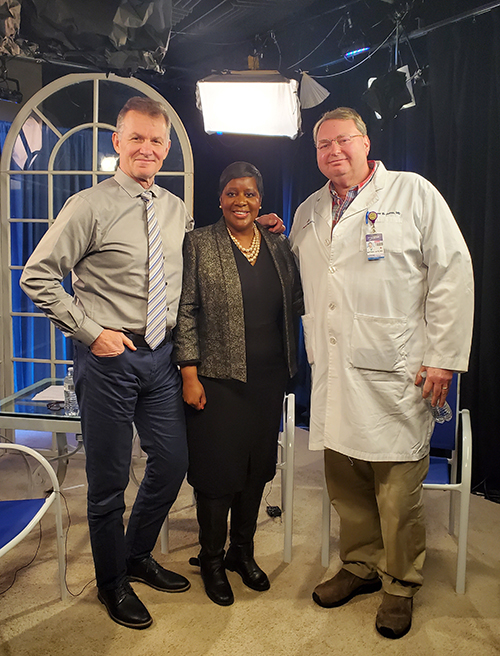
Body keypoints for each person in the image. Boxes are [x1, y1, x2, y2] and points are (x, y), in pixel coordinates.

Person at [20, 97, 285, 629]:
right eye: (136, 138)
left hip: (162, 357)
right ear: (117, 142)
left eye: (156, 141)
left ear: (165, 149)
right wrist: (92, 334)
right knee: (109, 481)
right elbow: (37, 276)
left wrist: (261, 225)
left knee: (172, 464)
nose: (147, 148)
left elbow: (204, 261)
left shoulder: (173, 207)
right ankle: (112, 583)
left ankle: (136, 555)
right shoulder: (87, 206)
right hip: (110, 361)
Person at [289, 107, 473, 639]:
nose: (333, 152)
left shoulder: (413, 194)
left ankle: (399, 581)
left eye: (342, 141)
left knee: (396, 489)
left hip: (397, 368)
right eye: (322, 145)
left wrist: (442, 356)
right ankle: (360, 564)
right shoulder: (308, 209)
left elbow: (452, 274)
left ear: (365, 142)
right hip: (334, 366)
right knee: (345, 482)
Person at [173, 161, 303, 606]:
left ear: (260, 200)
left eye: (249, 194)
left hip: (268, 380)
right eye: (232, 193)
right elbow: (186, 310)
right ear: (219, 198)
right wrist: (188, 373)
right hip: (216, 380)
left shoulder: (279, 245)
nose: (240, 201)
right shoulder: (199, 243)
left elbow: (298, 301)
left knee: (255, 470)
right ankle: (210, 560)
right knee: (216, 475)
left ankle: (240, 553)